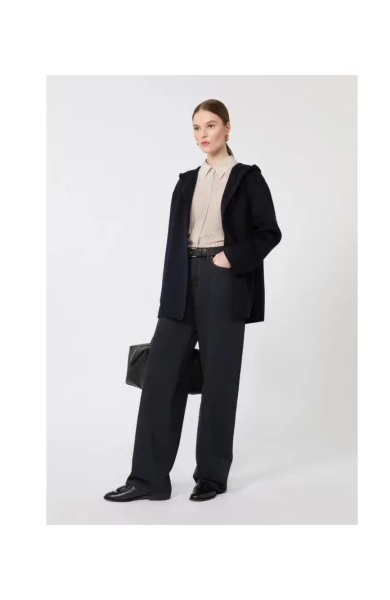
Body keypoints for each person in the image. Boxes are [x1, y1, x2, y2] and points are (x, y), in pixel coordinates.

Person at [104, 99, 282, 503]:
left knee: (220, 379)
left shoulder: (247, 178)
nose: (203, 134)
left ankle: (211, 477)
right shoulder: (186, 181)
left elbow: (269, 232)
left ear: (227, 128)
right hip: (183, 281)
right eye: (197, 128)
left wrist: (231, 258)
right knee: (160, 375)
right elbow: (174, 241)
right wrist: (172, 286)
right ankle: (148, 479)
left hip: (224, 280)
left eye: (211, 125)